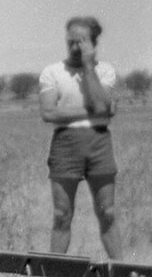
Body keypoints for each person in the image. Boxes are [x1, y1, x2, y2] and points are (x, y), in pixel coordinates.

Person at [40, 16, 122, 260]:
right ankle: (54, 276)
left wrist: (88, 67)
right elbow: (49, 113)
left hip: (99, 143)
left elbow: (103, 104)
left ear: (94, 43)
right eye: (71, 41)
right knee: (62, 214)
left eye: (81, 41)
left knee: (107, 212)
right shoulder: (52, 72)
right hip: (65, 145)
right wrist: (95, 111)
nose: (75, 47)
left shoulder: (105, 71)